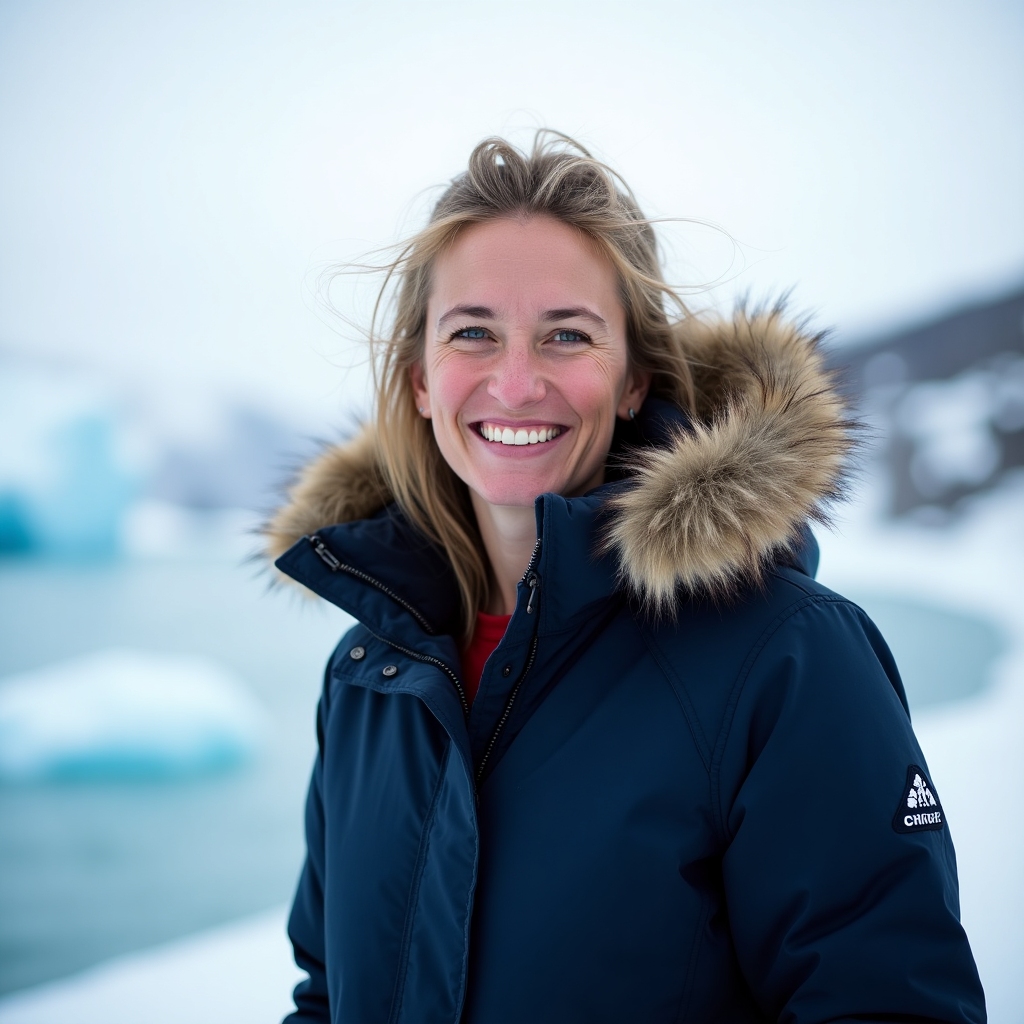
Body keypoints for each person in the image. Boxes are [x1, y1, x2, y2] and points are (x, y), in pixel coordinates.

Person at [266, 132, 985, 1024]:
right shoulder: (368, 677)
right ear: (420, 379)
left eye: (567, 335)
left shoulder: (783, 658)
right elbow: (327, 995)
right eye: (473, 333)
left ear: (634, 379)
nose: (516, 383)